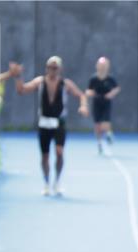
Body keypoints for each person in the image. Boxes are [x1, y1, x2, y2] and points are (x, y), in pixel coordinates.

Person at [15, 56, 89, 196]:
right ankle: (46, 182)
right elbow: (22, 90)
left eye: (55, 68)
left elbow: (81, 95)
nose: (52, 70)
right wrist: (18, 76)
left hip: (59, 122)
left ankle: (57, 181)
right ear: (46, 68)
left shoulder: (65, 84)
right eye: (49, 67)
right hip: (44, 122)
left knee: (59, 152)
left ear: (60, 69)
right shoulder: (40, 82)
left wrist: (84, 106)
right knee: (45, 156)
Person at [86, 57, 120, 155]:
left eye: (104, 66)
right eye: (101, 66)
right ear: (97, 66)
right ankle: (99, 143)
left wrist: (111, 94)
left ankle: (109, 134)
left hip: (106, 102)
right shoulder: (93, 79)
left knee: (105, 123)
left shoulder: (110, 79)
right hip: (97, 103)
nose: (102, 68)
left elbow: (117, 88)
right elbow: (88, 90)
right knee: (97, 125)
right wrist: (91, 93)